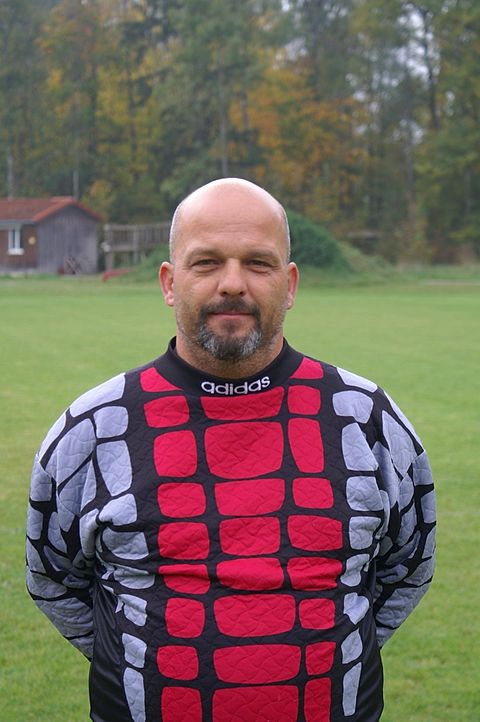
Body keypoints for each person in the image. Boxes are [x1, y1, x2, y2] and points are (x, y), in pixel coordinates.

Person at [26, 178, 436, 722]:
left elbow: (409, 566)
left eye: (258, 264)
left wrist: (337, 652)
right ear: (170, 282)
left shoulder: (365, 418)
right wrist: (132, 657)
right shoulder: (94, 427)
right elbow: (53, 578)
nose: (233, 284)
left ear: (290, 285)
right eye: (207, 263)